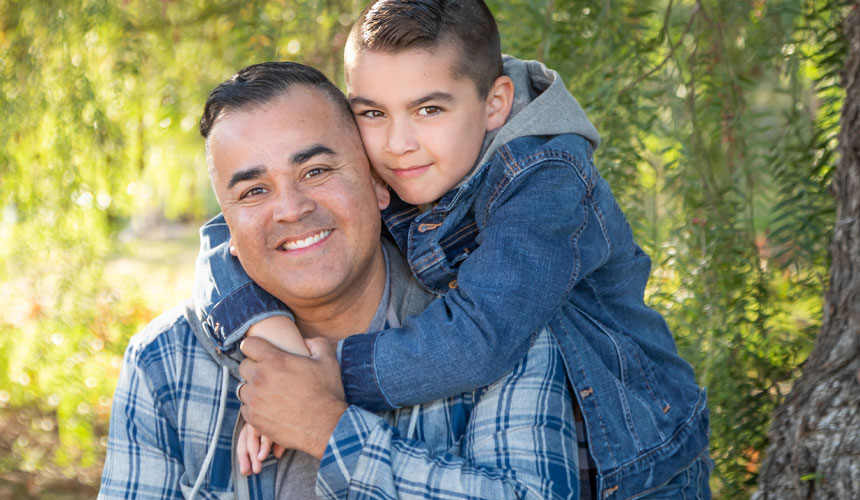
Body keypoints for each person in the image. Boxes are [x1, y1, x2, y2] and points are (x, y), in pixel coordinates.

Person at [196, 1, 712, 498]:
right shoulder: (408, 157)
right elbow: (233, 235)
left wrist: (328, 373)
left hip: (635, 458)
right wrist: (275, 342)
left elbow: (481, 339)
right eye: (373, 111)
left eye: (429, 108)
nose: (399, 142)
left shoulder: (547, 182)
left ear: (495, 104)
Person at [99, 62, 581, 499]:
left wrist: (326, 429)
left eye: (316, 170)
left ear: (377, 183)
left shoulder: (496, 326)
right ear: (228, 226)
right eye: (254, 191)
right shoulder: (165, 363)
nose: (290, 209)